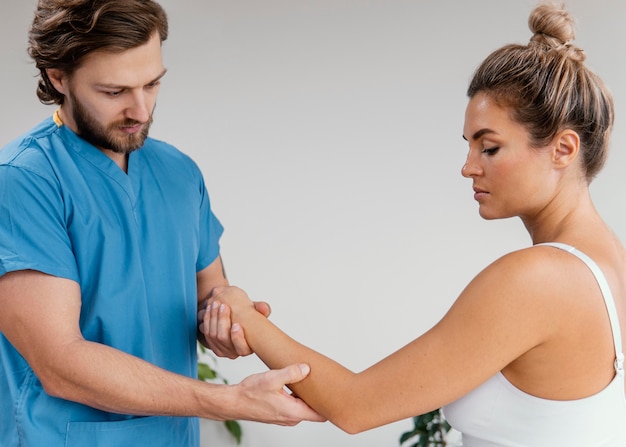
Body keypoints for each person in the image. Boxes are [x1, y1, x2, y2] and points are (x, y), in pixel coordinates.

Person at [203, 3, 626, 446]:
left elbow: (356, 405)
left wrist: (246, 319)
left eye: (490, 148)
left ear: (562, 149)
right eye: (469, 146)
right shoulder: (610, 261)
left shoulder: (540, 278)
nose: (468, 168)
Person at [0, 1, 323, 446]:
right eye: (114, 92)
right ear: (59, 78)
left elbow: (209, 292)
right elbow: (61, 365)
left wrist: (224, 321)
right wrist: (229, 401)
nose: (141, 110)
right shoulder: (23, 182)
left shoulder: (178, 172)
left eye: (152, 84)